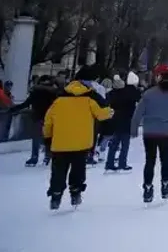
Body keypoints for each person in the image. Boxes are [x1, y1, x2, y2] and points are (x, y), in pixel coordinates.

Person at [42, 66, 114, 210]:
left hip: (60, 142)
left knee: (58, 170)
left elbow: (48, 120)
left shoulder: (59, 98)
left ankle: (56, 194)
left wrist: (47, 137)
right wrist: (110, 110)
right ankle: (75, 193)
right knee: (78, 170)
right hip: (81, 142)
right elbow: (102, 114)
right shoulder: (90, 98)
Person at [130, 64, 168, 203]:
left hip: (150, 132)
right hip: (167, 132)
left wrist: (134, 128)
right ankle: (166, 184)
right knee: (165, 160)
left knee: (150, 160)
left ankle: (148, 187)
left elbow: (138, 112)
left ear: (158, 77)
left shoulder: (149, 93)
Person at [10, 75, 59, 167]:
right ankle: (47, 156)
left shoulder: (36, 92)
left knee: (36, 138)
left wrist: (13, 109)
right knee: (48, 138)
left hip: (38, 117)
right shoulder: (54, 92)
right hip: (49, 118)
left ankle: (34, 157)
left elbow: (26, 103)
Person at [104, 74, 141, 172]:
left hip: (115, 120)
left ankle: (109, 163)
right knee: (125, 144)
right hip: (126, 121)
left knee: (114, 144)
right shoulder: (129, 94)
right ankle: (122, 163)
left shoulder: (111, 94)